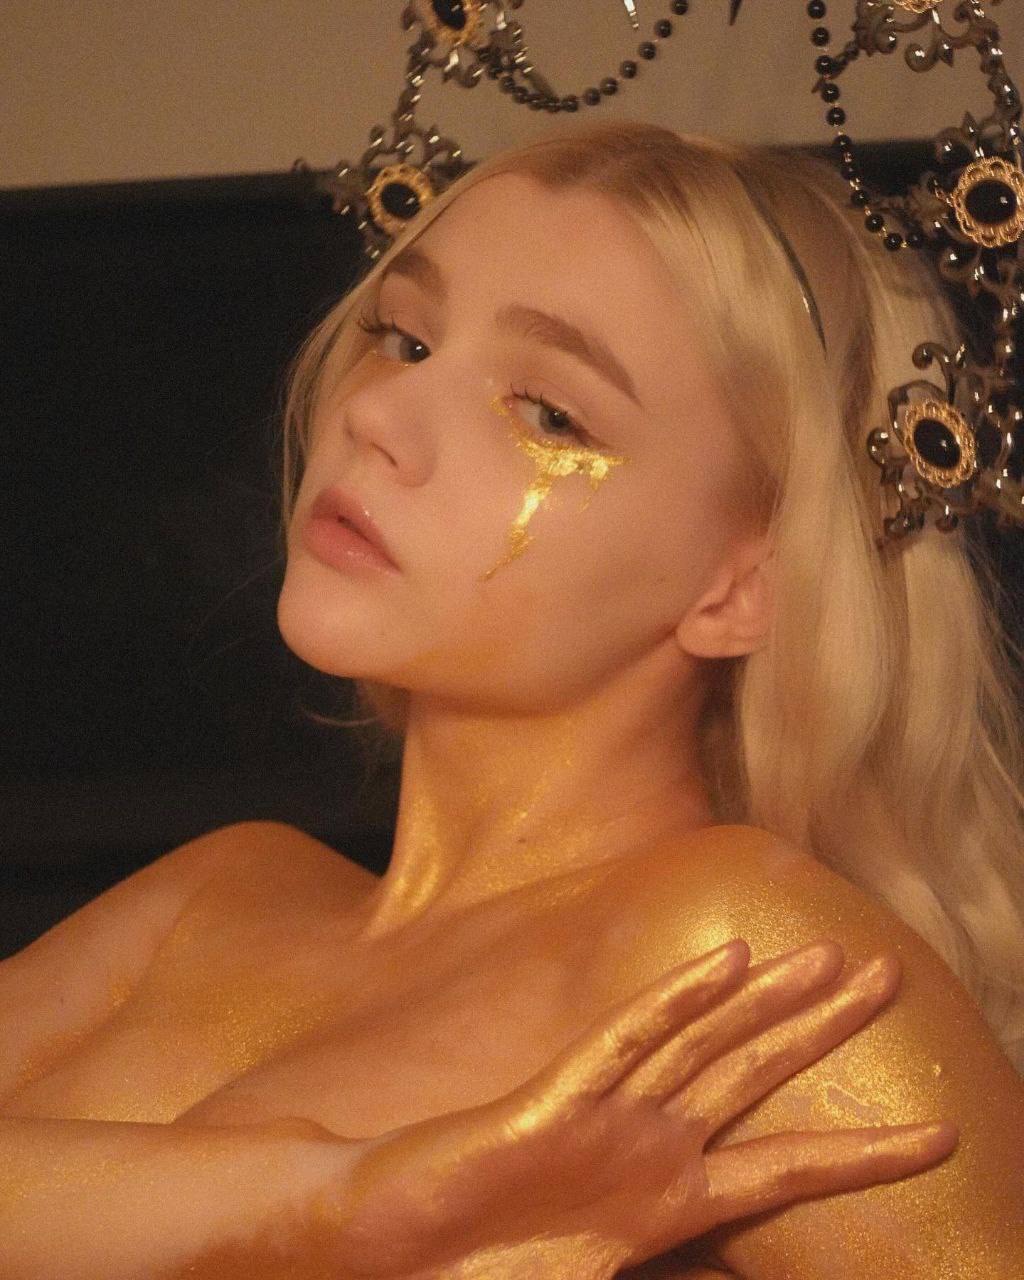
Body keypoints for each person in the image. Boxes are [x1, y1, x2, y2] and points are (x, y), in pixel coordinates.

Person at [1, 120, 1022, 1276]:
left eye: (548, 412)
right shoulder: (218, 891)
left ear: (744, 586)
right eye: (405, 338)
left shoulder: (731, 952)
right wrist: (346, 1205)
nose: (377, 416)